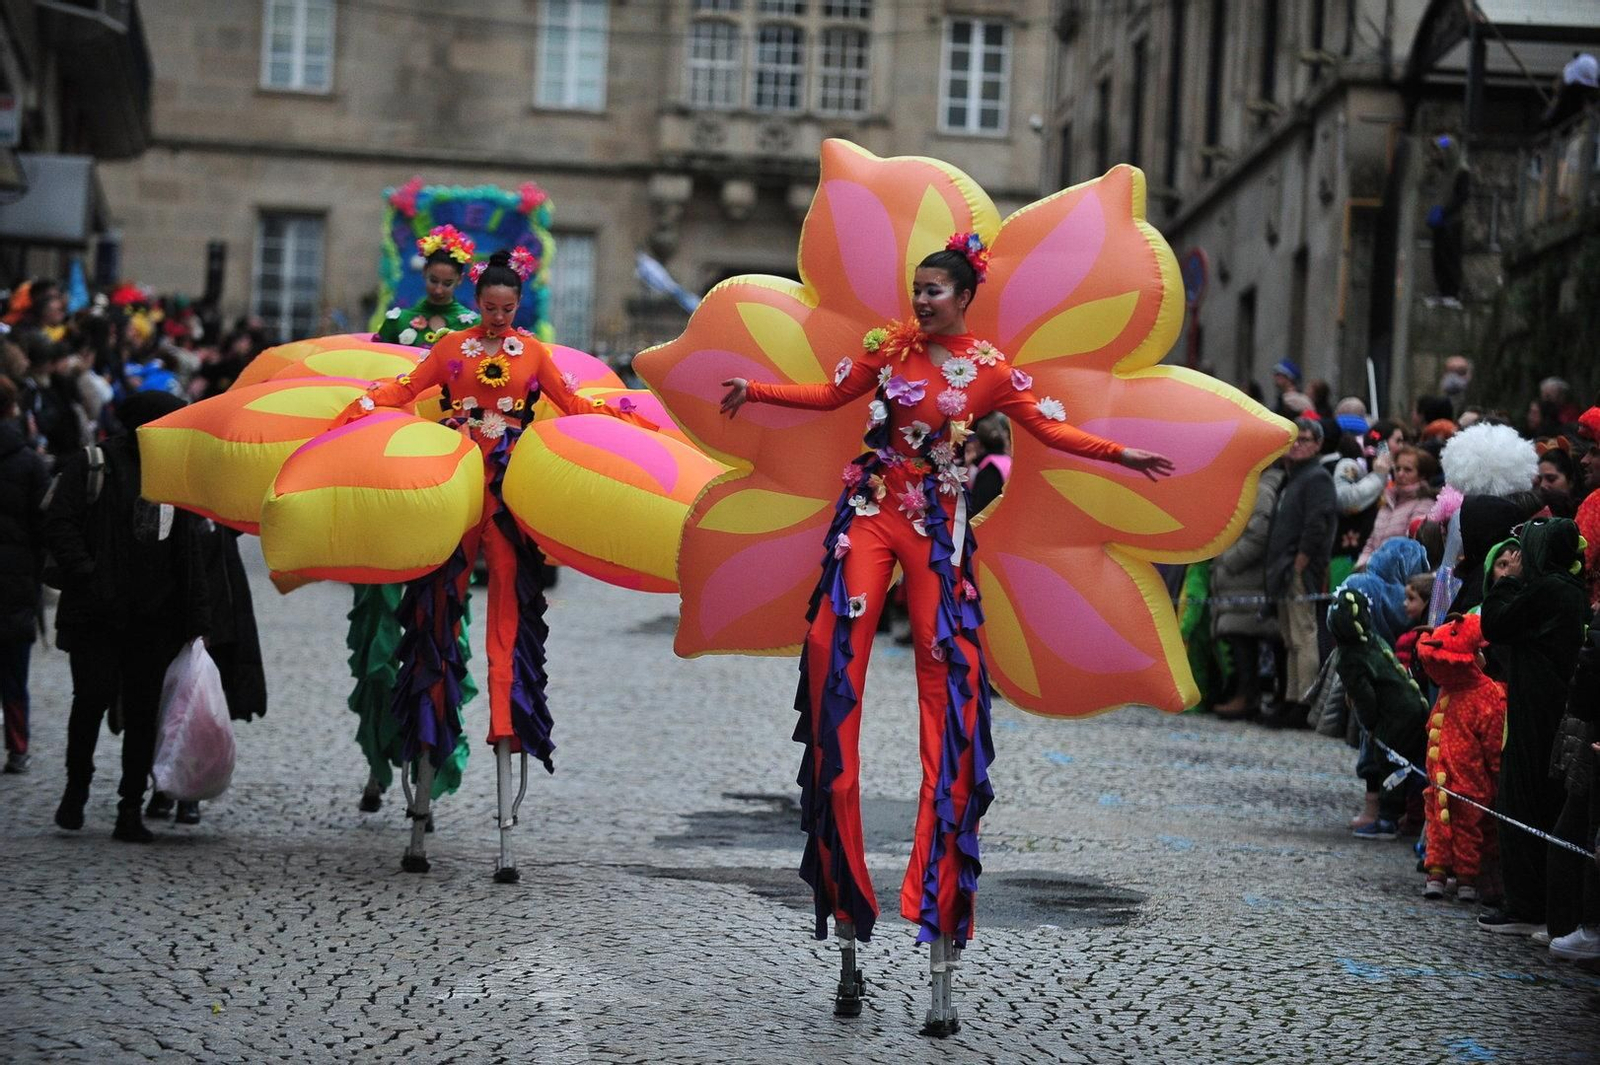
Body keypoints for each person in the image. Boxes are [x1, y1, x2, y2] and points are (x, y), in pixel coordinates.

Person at [718, 234, 1173, 1034]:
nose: (920, 300)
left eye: (933, 290)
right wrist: (752, 388)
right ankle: (846, 895)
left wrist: (1122, 455)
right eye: (916, 289)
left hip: (935, 530)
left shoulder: (989, 367)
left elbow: (1049, 433)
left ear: (963, 296)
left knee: (948, 686)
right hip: (871, 516)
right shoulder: (887, 351)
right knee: (834, 658)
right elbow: (828, 399)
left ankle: (938, 918)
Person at [340, 247, 652, 880]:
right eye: (489, 309)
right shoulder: (453, 346)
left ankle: (509, 730)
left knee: (510, 623)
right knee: (432, 620)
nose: (498, 320)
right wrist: (366, 405)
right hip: (458, 489)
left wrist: (623, 416)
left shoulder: (533, 354)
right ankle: (421, 787)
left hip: (507, 495)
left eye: (508, 310)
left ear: (519, 307)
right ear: (475, 302)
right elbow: (410, 386)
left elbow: (570, 403)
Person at [351, 225, 480, 816]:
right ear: (421, 274)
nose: (437, 287)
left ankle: (426, 761)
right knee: (378, 638)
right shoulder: (397, 322)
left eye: (447, 282)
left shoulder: (472, 335)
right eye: (431, 279)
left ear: (459, 282)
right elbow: (372, 388)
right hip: (388, 474)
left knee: (435, 635)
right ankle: (377, 764)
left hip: (440, 479)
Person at [44, 391, 211, 842]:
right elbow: (59, 521)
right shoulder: (93, 463)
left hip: (153, 617)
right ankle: (75, 790)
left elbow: (188, 550)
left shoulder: (174, 472)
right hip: (96, 614)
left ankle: (128, 808)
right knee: (90, 702)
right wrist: (87, 573)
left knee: (142, 717)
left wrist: (196, 618)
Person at [1478, 518, 1588, 936]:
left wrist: (1506, 582)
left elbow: (1495, 623)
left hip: (1537, 715)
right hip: (1546, 710)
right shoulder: (1568, 590)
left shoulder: (1549, 589)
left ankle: (1526, 904)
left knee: (1522, 803)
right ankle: (1535, 903)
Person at [1416, 613, 1506, 903]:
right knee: (1449, 828)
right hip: (1455, 780)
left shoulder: (1471, 693)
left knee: (1457, 829)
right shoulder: (1474, 693)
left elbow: (1490, 741)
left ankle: (1456, 878)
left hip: (1461, 780)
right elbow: (1492, 744)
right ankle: (1446, 875)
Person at [1328, 584, 1428, 841]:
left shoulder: (1351, 658)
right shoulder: (1372, 639)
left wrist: (1371, 727)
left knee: (1390, 762)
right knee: (1410, 762)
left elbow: (1366, 698)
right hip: (1414, 704)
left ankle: (1387, 819)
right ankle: (1409, 814)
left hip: (1397, 714)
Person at [1261, 418, 1336, 727]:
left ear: (1317, 445)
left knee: (1304, 636)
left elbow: (1317, 523)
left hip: (1298, 569)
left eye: (1305, 439)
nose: (1298, 445)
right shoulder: (1292, 479)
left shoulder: (1316, 478)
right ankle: (1291, 697)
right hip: (1283, 569)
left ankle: (1304, 701)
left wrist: (1301, 562)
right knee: (1290, 638)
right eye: (1293, 439)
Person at [1209, 464, 1286, 720]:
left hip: (1245, 576)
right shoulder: (1254, 485)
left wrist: (1228, 560)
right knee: (1239, 635)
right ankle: (1244, 693)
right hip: (1241, 577)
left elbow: (1258, 533)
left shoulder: (1262, 489)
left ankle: (1248, 695)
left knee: (1244, 634)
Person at [0, 377, 46, 773]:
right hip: (16, 576)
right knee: (15, 670)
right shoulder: (28, 461)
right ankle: (17, 746)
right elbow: (43, 523)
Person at [374, 225, 481, 346]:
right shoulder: (398, 322)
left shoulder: (473, 326)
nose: (438, 290)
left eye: (447, 284)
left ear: (460, 279)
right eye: (433, 281)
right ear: (424, 271)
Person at [1356, 445, 1438, 570]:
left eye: (1407, 470)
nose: (1400, 474)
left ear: (1421, 475)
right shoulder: (1388, 500)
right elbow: (1372, 542)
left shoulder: (1424, 504)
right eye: (1397, 468)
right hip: (1372, 573)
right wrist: (1360, 566)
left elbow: (1410, 546)